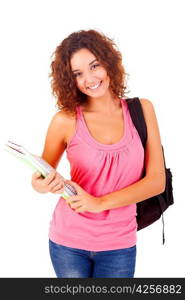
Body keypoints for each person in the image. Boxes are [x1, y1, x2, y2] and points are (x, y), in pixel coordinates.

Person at [31, 29, 165, 278]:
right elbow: (39, 178)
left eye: (95, 66)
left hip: (119, 244)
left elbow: (157, 181)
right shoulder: (65, 120)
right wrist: (44, 183)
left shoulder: (142, 110)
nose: (90, 78)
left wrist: (99, 203)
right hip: (68, 242)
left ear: (109, 63)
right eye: (78, 74)